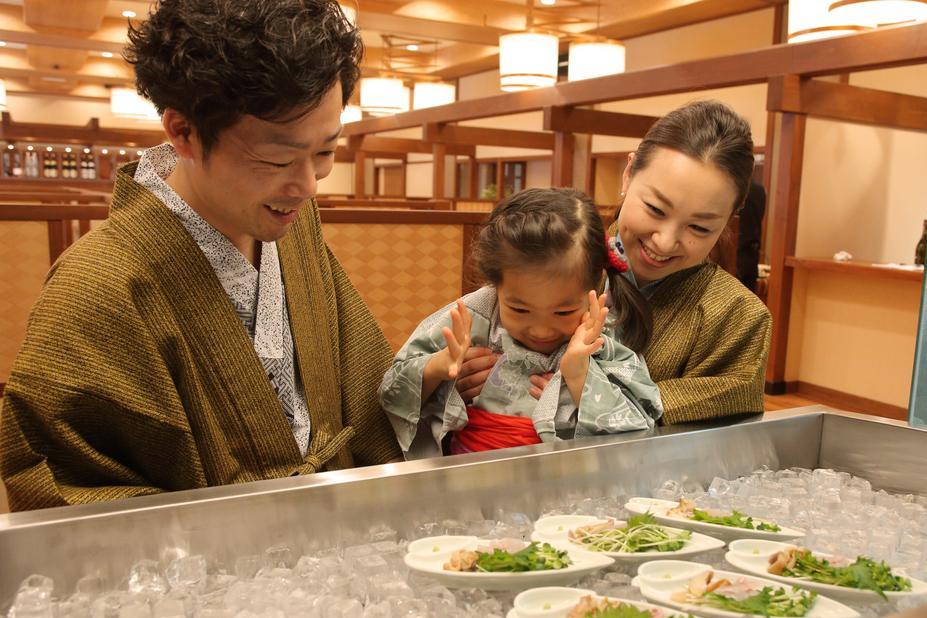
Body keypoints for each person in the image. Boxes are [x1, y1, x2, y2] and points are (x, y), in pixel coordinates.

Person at [0, 0, 399, 511]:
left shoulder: (291, 229)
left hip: (333, 537)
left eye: (324, 152)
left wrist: (424, 382)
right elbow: (68, 489)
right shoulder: (98, 287)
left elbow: (359, 382)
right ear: (183, 132)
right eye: (276, 159)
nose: (306, 185)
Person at [457, 101, 771, 425]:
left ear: (730, 218)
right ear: (628, 174)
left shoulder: (738, 315)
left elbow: (723, 414)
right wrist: (461, 377)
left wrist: (584, 396)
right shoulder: (567, 256)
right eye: (656, 209)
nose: (664, 240)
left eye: (699, 228)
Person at [379, 188, 663, 458]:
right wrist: (437, 368)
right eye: (519, 309)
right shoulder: (472, 317)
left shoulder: (601, 333)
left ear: (593, 286)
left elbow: (640, 432)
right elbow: (391, 392)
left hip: (566, 482)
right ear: (495, 285)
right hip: (465, 474)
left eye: (563, 312)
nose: (541, 330)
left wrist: (580, 376)